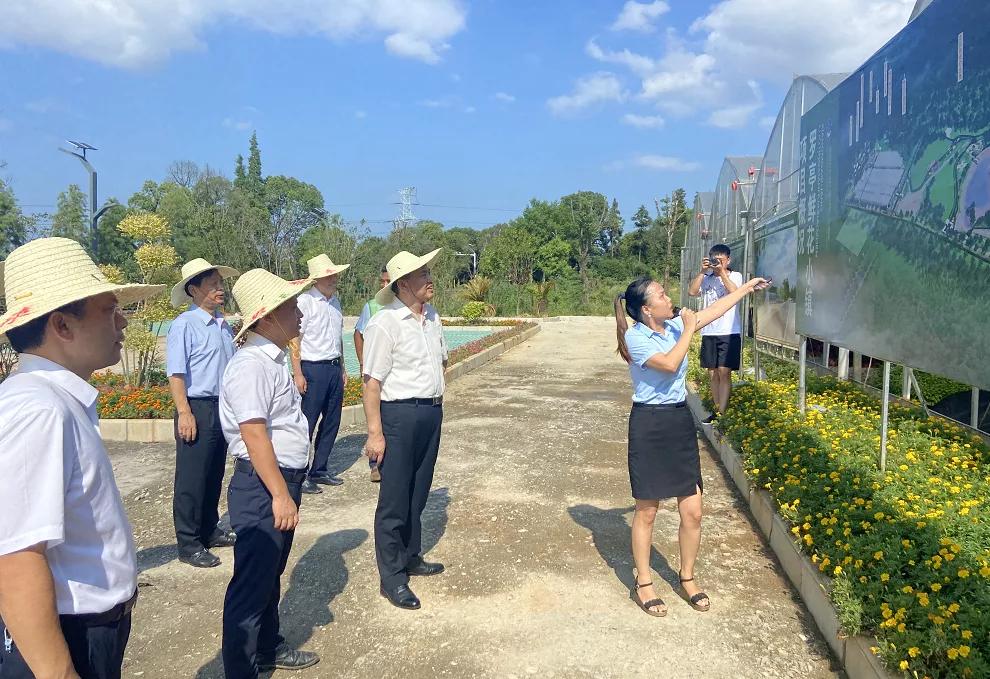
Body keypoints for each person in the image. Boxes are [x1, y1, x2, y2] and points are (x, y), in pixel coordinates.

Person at [0, 237, 163, 678]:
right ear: (62, 327)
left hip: (88, 627)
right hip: (69, 634)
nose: (122, 320)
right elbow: (16, 556)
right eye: (109, 309)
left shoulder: (54, 400)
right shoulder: (37, 409)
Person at [614, 273, 766, 617]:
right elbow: (668, 366)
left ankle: (687, 577)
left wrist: (744, 288)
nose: (670, 299)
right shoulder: (636, 338)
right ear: (646, 310)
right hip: (649, 424)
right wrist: (686, 328)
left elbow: (713, 311)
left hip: (678, 420)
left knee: (693, 510)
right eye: (663, 296)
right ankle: (645, 582)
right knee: (647, 510)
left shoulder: (671, 326)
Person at [220, 269, 320, 677]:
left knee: (270, 574)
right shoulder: (250, 366)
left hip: (280, 480)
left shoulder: (273, 360)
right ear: (266, 318)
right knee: (252, 582)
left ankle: (266, 647)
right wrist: (279, 493)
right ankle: (242, 668)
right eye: (290, 307)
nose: (299, 314)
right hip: (263, 484)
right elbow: (254, 433)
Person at [362, 249, 448, 610]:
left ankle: (412, 554)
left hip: (430, 412)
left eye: (428, 271)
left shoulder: (432, 318)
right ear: (403, 284)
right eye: (422, 274)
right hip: (398, 416)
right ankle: (393, 577)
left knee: (418, 492)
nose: (430, 279)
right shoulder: (385, 323)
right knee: (394, 499)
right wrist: (375, 432)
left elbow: (443, 359)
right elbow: (371, 382)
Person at [166, 258, 240, 568]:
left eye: (219, 284)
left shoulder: (223, 324)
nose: (219, 289)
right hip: (196, 406)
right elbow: (176, 372)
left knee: (214, 473)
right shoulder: (185, 325)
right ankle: (188, 542)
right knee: (192, 478)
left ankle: (209, 530)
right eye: (212, 286)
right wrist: (184, 412)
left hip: (220, 406)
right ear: (194, 290)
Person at [290, 254, 351, 495]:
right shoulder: (305, 302)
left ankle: (320, 468)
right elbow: (295, 338)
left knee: (332, 421)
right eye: (329, 275)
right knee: (307, 422)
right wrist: (297, 372)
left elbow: (338, 339)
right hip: (312, 368)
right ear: (317, 279)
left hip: (334, 367)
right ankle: (300, 473)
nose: (334, 278)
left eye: (334, 274)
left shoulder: (336, 303)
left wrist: (343, 367)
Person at [687, 243, 744, 423]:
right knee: (712, 372)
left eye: (721, 260)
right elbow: (692, 291)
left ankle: (722, 412)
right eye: (714, 260)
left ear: (728, 260)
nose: (717, 263)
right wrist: (703, 272)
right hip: (709, 331)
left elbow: (735, 292)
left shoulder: (735, 275)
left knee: (724, 371)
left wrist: (721, 274)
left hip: (729, 331)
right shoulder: (707, 277)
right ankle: (717, 409)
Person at [354, 266, 390, 483]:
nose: (383, 286)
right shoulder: (372, 306)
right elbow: (358, 333)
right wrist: (362, 362)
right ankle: (374, 465)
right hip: (375, 374)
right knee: (374, 420)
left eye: (388, 281)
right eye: (382, 281)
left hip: (392, 377)